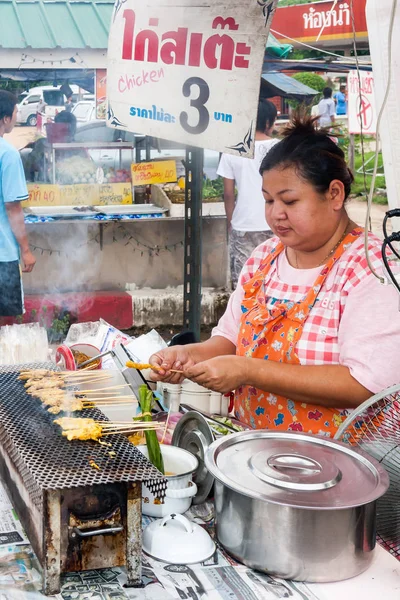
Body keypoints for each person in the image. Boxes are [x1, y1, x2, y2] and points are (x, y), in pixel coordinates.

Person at [149, 113, 400, 437]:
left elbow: (366, 385)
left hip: (341, 470)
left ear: (335, 194)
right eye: (268, 200)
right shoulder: (264, 258)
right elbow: (228, 341)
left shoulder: (371, 269)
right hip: (257, 456)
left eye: (290, 201)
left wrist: (248, 370)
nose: (275, 214)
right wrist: (185, 356)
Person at [217, 100, 278, 289]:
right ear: (268, 122)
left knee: (244, 282)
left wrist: (231, 222)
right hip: (275, 222)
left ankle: (245, 318)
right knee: (273, 279)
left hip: (243, 224)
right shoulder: (281, 148)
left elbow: (228, 194)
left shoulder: (233, 150)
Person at [0, 90, 36, 316]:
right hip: (3, 255)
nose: (17, 115)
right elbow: (13, 207)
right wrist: (26, 250)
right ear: (5, 119)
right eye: (15, 112)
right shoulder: (8, 154)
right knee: (7, 324)